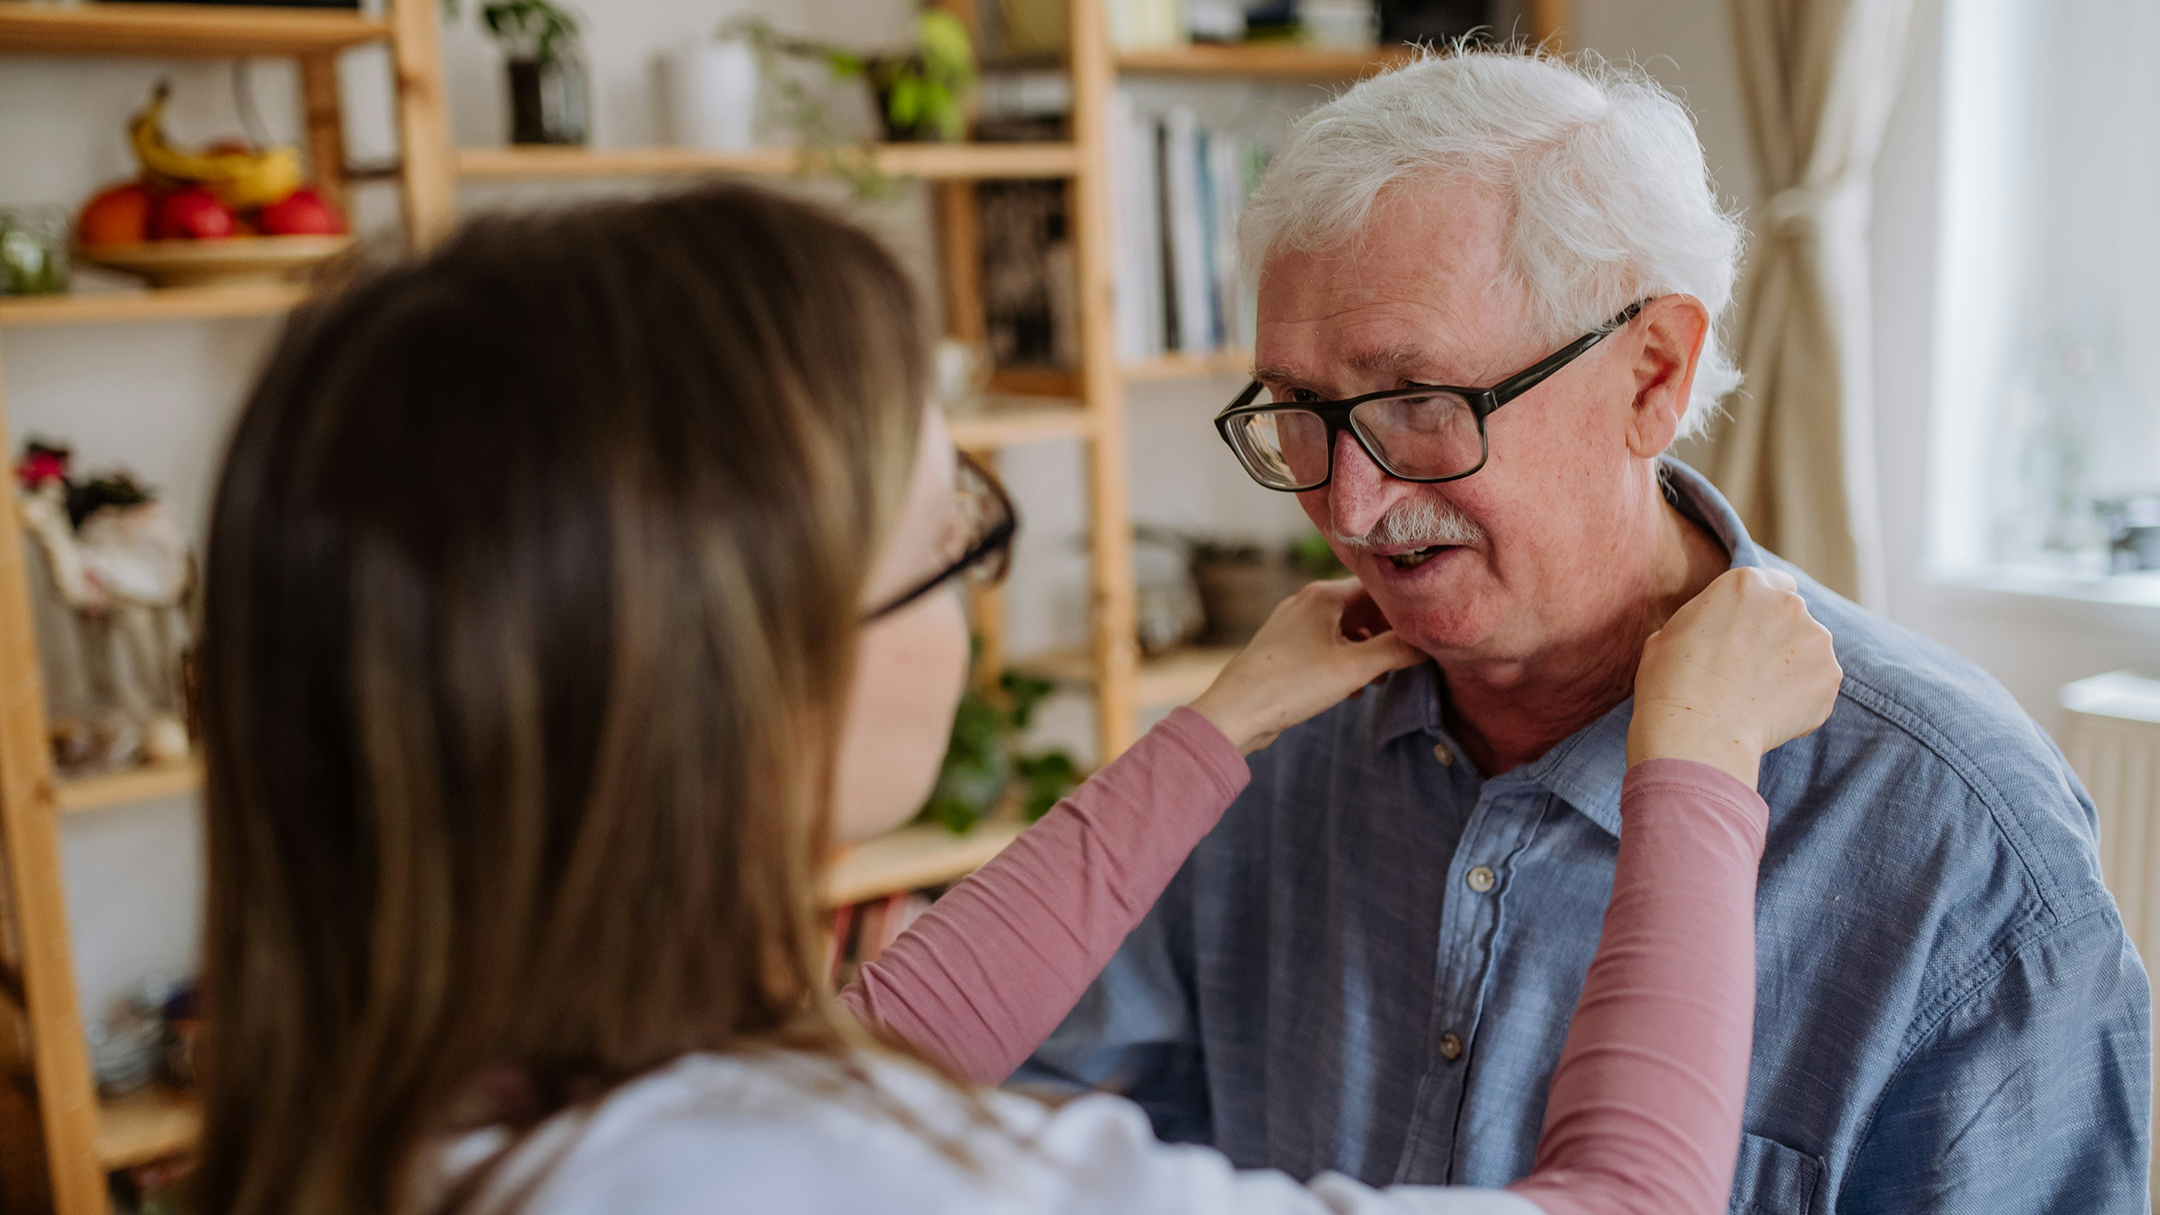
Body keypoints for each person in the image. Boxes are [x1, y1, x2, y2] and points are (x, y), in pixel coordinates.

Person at [188, 183, 1840, 1215]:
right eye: (952, 528)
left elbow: (861, 1053)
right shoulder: (821, 1182)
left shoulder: (445, 1104)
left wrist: (1210, 734)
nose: (1339, 507)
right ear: (775, 673)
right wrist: (1690, 768)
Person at [1019, 46, 2153, 1212]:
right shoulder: (1267, 755)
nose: (1348, 511)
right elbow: (1011, 1133)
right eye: (1300, 413)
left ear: (1653, 373)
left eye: (1420, 404)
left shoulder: (1957, 836)